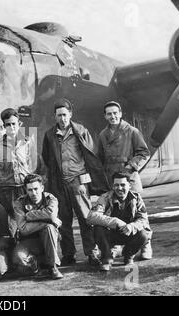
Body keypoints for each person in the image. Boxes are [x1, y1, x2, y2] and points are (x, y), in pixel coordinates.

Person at [42, 98, 110, 266]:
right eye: (59, 115)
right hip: (59, 183)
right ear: (55, 116)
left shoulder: (81, 131)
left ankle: (91, 252)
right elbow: (46, 157)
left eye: (65, 115)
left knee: (86, 218)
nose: (62, 119)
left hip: (78, 182)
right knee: (63, 220)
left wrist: (84, 181)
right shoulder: (49, 135)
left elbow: (89, 157)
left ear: (70, 114)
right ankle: (68, 254)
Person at [97, 101, 152, 260]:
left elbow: (143, 153)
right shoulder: (102, 135)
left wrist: (129, 168)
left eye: (115, 113)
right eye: (109, 113)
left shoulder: (132, 131)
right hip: (112, 179)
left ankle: (146, 243)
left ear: (120, 114)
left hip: (130, 178)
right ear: (105, 116)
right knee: (116, 212)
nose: (112, 116)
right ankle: (118, 245)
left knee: (138, 212)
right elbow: (100, 158)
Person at [0, 108, 40, 238]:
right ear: (3, 125)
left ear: (19, 124)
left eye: (14, 123)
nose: (11, 127)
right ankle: (12, 251)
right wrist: (2, 182)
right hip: (7, 190)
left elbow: (34, 164)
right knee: (10, 224)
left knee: (29, 219)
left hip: (25, 188)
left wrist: (30, 184)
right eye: (8, 124)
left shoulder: (28, 142)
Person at [87, 172, 152, 271]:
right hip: (111, 234)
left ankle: (128, 256)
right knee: (97, 229)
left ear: (129, 186)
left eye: (123, 185)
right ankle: (107, 259)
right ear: (113, 186)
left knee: (143, 235)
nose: (119, 188)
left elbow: (143, 219)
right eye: (116, 185)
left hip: (129, 233)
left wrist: (131, 226)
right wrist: (115, 221)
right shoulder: (105, 197)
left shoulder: (136, 198)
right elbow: (91, 216)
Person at [12, 174, 63, 279]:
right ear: (26, 190)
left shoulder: (50, 199)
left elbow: (50, 214)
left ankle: (52, 266)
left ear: (42, 188)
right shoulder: (19, 203)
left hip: (49, 239)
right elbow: (23, 229)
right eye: (30, 190)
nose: (34, 193)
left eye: (36, 189)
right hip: (29, 240)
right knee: (18, 260)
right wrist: (47, 222)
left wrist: (28, 215)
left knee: (49, 229)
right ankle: (37, 263)